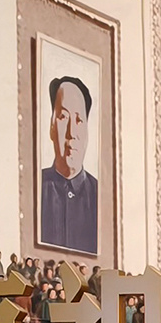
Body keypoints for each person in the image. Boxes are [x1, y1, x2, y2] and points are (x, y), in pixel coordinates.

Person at [39, 76, 100, 256]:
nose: (71, 132)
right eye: (63, 117)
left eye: (79, 120)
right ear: (51, 126)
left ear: (87, 131)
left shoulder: (98, 195)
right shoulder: (34, 187)